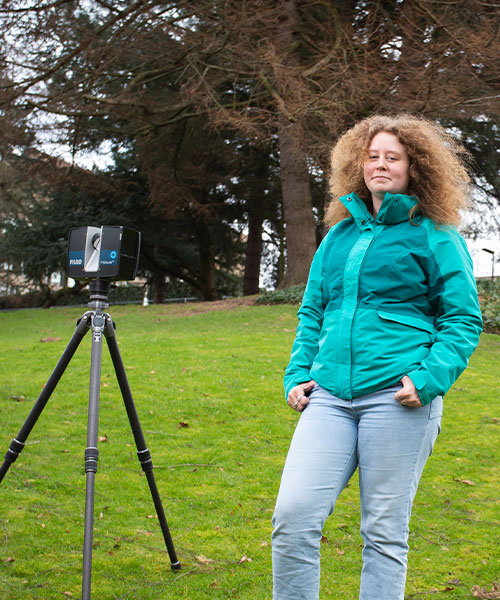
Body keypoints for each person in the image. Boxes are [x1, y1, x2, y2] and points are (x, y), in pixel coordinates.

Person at [271, 114, 483, 600]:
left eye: (393, 157)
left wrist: (428, 379)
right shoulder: (339, 236)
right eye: (372, 156)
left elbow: (462, 319)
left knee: (384, 534)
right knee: (293, 517)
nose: (381, 165)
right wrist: (298, 372)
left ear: (415, 168)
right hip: (329, 398)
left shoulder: (436, 234)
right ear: (357, 165)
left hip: (398, 398)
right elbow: (313, 311)